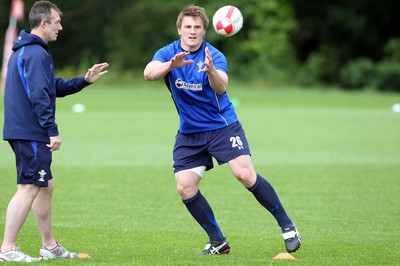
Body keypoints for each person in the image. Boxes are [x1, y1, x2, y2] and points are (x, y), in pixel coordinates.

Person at [144, 5, 301, 255]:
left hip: (222, 127)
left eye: (198, 27)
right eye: (188, 27)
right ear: (179, 29)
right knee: (184, 186)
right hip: (189, 133)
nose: (192, 31)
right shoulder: (168, 52)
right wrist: (170, 66)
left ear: (205, 31)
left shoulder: (213, 55)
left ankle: (287, 226)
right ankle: (217, 241)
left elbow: (221, 86)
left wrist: (211, 71)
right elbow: (148, 73)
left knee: (245, 175)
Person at [0, 1, 109, 262]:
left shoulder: (30, 50)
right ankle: (7, 248)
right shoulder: (35, 52)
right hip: (31, 130)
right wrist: (51, 130)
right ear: (43, 22)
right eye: (57, 22)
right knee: (28, 187)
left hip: (23, 129)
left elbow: (51, 87)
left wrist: (83, 81)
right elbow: (39, 95)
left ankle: (49, 246)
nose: (61, 26)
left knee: (45, 185)